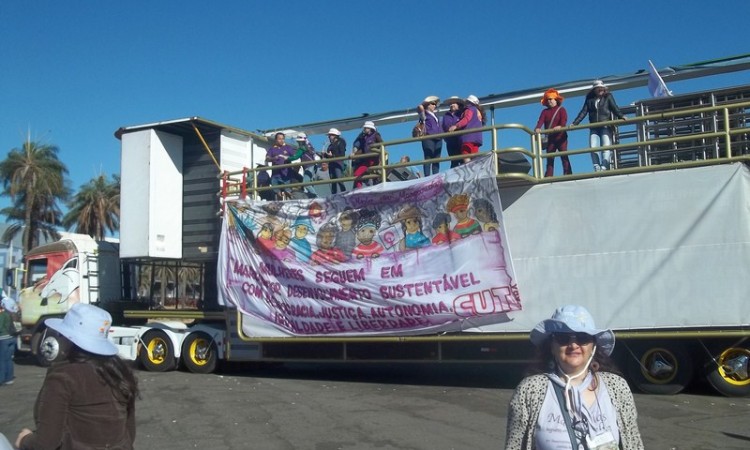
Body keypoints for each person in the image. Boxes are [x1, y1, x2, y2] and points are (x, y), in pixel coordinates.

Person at [505, 305, 644, 450]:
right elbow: (514, 446)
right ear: (552, 346)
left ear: (593, 346)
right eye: (563, 338)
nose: (573, 345)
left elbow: (634, 443)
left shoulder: (617, 387)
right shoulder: (529, 391)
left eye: (582, 337)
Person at [15, 303, 139, 450]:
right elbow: (129, 432)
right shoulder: (120, 372)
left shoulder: (63, 377)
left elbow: (46, 443)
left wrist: (25, 440)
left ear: (69, 339)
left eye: (62, 334)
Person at [572, 80, 626, 172]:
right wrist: (575, 123)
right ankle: (596, 167)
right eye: (598, 88)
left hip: (605, 125)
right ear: (594, 90)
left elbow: (614, 107)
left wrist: (621, 116)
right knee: (593, 147)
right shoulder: (589, 100)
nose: (600, 90)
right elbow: (583, 112)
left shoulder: (608, 97)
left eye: (601, 88)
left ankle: (604, 166)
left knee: (606, 146)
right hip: (594, 126)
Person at [535, 88, 572, 177]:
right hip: (550, 138)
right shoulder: (544, 112)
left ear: (556, 100)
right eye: (547, 100)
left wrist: (560, 126)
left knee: (564, 156)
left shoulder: (561, 109)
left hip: (561, 137)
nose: (549, 101)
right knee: (550, 158)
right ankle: (549, 176)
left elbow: (564, 120)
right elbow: (540, 121)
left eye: (551, 99)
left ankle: (568, 174)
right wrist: (537, 128)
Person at [449, 95, 485, 165]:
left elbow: (466, 119)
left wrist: (456, 126)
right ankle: (474, 171)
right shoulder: (478, 112)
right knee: (474, 157)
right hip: (477, 138)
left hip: (468, 137)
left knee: (465, 154)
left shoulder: (469, 109)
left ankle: (468, 169)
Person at [351, 121, 384, 189]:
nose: (364, 129)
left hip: (373, 159)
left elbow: (382, 144)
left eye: (366, 128)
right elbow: (362, 149)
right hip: (367, 159)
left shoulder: (376, 135)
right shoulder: (365, 137)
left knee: (372, 175)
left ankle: (362, 189)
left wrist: (380, 158)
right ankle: (359, 189)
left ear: (370, 128)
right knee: (358, 174)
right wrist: (355, 154)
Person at [265, 132, 297, 199]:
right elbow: (267, 158)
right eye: (279, 139)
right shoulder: (272, 149)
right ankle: (278, 207)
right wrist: (274, 158)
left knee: (288, 192)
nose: (281, 140)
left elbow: (294, 156)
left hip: (286, 174)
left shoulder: (288, 147)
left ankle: (292, 205)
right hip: (275, 174)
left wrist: (287, 157)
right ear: (276, 140)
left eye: (283, 139)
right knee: (277, 193)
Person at [417, 95, 443, 176]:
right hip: (428, 137)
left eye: (435, 104)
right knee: (428, 157)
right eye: (432, 103)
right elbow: (419, 107)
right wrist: (424, 104)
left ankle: (436, 175)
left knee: (436, 159)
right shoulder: (424, 114)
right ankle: (427, 176)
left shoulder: (436, 116)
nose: (434, 106)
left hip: (438, 138)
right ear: (428, 104)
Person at [288, 132, 319, 197]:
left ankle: (316, 197)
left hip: (309, 166)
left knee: (305, 183)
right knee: (309, 183)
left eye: (299, 141)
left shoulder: (302, 147)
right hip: (313, 165)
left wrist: (286, 159)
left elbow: (295, 156)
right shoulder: (309, 145)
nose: (298, 143)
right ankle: (311, 198)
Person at [441, 96, 464, 168]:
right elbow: (443, 127)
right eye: (450, 104)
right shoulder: (446, 116)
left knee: (463, 161)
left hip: (460, 141)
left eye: (453, 103)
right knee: (454, 161)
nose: (451, 105)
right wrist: (445, 138)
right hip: (450, 142)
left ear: (458, 105)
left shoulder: (462, 114)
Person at [323, 128, 347, 194]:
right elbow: (328, 156)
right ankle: (335, 196)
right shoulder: (330, 145)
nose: (329, 137)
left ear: (334, 135)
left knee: (339, 180)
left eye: (330, 135)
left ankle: (344, 194)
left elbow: (342, 155)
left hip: (338, 163)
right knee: (333, 182)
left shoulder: (340, 143)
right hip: (332, 164)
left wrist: (332, 156)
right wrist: (324, 154)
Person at [0, 299, 16, 386]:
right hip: (12, 338)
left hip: (3, 339)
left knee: (2, 360)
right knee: (9, 359)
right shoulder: (13, 314)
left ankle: (1, 379)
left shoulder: (3, 315)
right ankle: (9, 379)